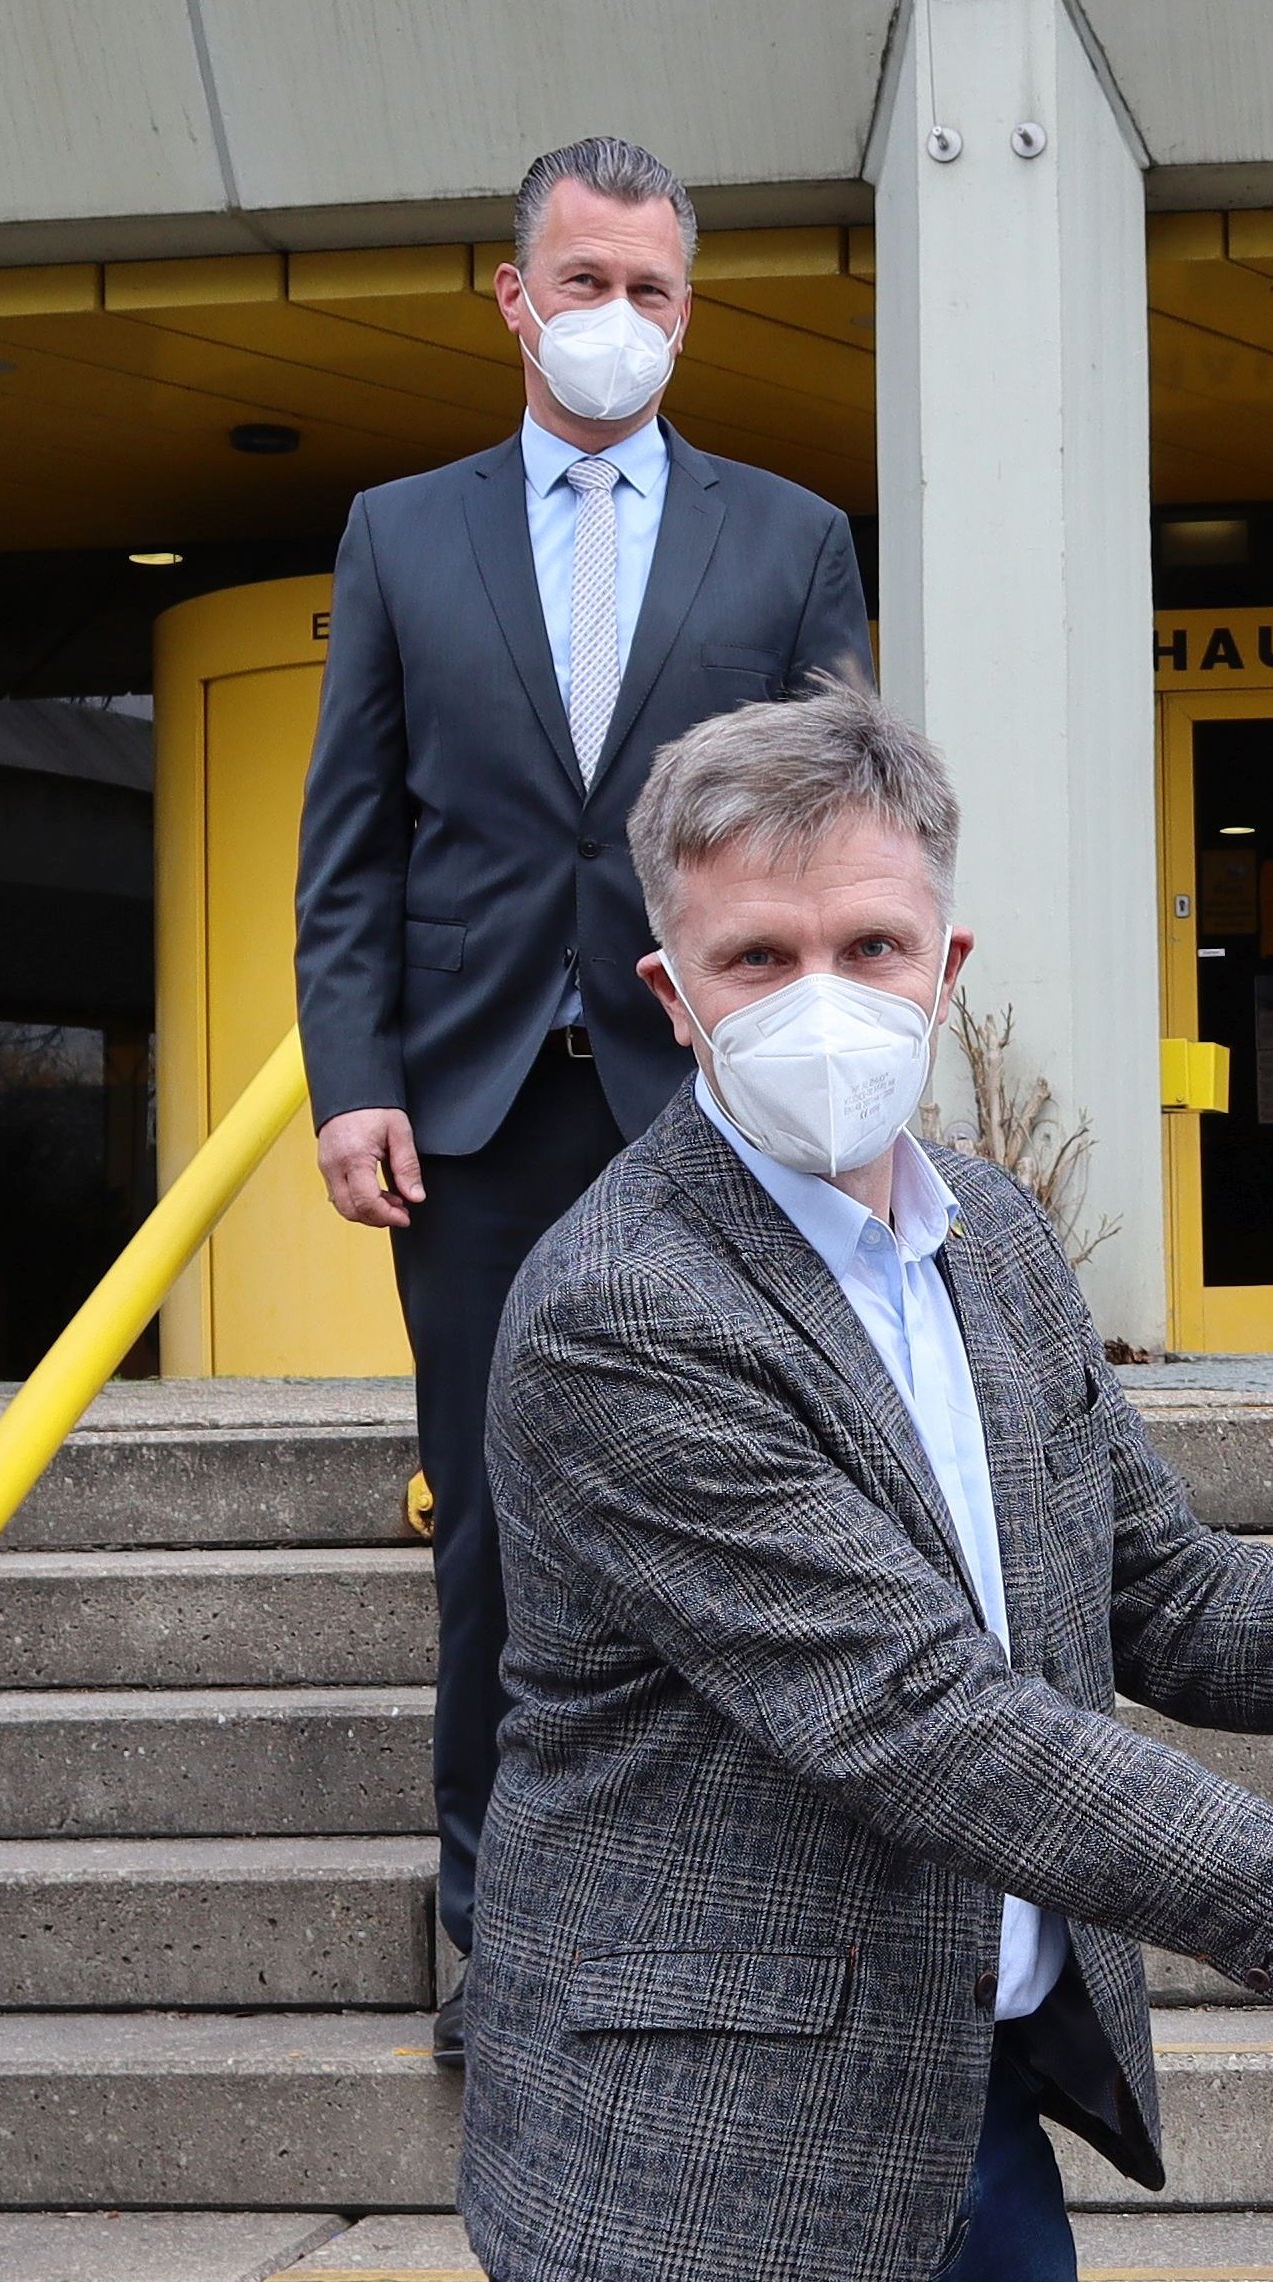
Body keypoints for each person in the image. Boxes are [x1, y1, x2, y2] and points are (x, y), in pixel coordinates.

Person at [463, 679, 1273, 2282]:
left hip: (969, 2101)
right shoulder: (625, 1309)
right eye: (757, 959)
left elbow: (1164, 1592)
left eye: (867, 947)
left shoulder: (987, 1236)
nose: (821, 999)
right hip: (702, 2158)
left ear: (946, 966)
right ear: (674, 991)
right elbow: (927, 1718)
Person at [294, 132, 871, 2061]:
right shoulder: (398, 531)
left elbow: (838, 838)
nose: (618, 320)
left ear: (687, 313)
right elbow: (350, 841)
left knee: (770, 1512)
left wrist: (837, 1080)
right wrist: (350, 1080)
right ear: (512, 295)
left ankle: (757, 1909)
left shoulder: (786, 536)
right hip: (472, 1105)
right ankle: (499, 1936)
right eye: (586, 282)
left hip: (721, 1108)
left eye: (655, 292)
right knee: (490, 1529)